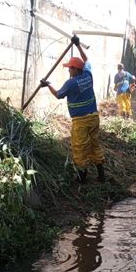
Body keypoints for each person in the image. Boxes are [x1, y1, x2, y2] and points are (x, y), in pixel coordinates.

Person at [42, 35, 104, 184]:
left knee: (80, 147)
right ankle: (102, 175)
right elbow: (87, 60)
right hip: (94, 118)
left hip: (81, 121)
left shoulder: (71, 84)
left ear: (75, 69)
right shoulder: (88, 74)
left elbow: (58, 95)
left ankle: (82, 178)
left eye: (70, 68)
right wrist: (77, 45)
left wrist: (48, 84)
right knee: (95, 145)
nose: (68, 70)